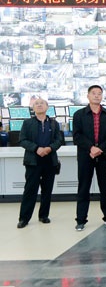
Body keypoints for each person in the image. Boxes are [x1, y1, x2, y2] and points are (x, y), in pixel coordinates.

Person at [73, 85, 106, 231]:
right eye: (94, 93)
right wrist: (91, 148)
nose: (97, 96)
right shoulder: (79, 115)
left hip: (103, 156)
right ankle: (81, 220)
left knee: (105, 188)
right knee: (83, 188)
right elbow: (77, 136)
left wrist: (100, 149)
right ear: (88, 96)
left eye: (99, 93)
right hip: (86, 156)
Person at [17, 98, 63, 229]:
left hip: (49, 160)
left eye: (42, 103)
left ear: (47, 107)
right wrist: (36, 148)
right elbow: (22, 140)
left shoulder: (54, 123)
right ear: (33, 108)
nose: (39, 105)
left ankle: (44, 215)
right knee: (30, 190)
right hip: (33, 161)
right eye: (36, 103)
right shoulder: (27, 123)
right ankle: (24, 218)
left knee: (47, 190)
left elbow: (59, 140)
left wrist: (49, 148)